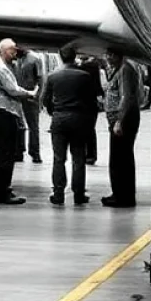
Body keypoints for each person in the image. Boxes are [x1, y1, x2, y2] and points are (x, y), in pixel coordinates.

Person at [41, 43, 98, 207]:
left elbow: (45, 100)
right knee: (78, 158)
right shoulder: (84, 76)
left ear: (60, 56)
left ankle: (58, 194)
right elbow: (91, 101)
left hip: (59, 119)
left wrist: (55, 112)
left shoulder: (52, 76)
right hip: (79, 119)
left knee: (59, 158)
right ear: (75, 57)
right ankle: (79, 194)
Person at [0, 39, 36, 205]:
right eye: (12, 50)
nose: (15, 53)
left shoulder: (0, 67)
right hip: (4, 115)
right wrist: (31, 93)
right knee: (5, 155)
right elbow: (13, 90)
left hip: (0, 114)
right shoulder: (1, 69)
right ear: (3, 51)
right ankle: (2, 192)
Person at [103, 48, 143, 208]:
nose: (107, 57)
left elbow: (126, 96)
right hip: (120, 119)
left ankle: (123, 196)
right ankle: (120, 194)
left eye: (111, 54)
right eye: (107, 54)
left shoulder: (125, 70)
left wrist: (119, 120)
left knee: (120, 158)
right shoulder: (120, 69)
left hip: (123, 120)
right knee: (120, 158)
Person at [14, 48, 43, 163]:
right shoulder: (17, 59)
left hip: (31, 96)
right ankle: (19, 151)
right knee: (18, 125)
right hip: (18, 95)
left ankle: (35, 153)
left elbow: (41, 80)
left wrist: (38, 97)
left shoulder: (34, 59)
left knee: (33, 126)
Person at [77, 53, 105, 164]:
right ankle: (91, 155)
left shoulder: (87, 66)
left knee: (84, 130)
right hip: (91, 103)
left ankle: (86, 154)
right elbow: (98, 86)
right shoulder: (94, 66)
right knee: (90, 130)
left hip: (83, 103)